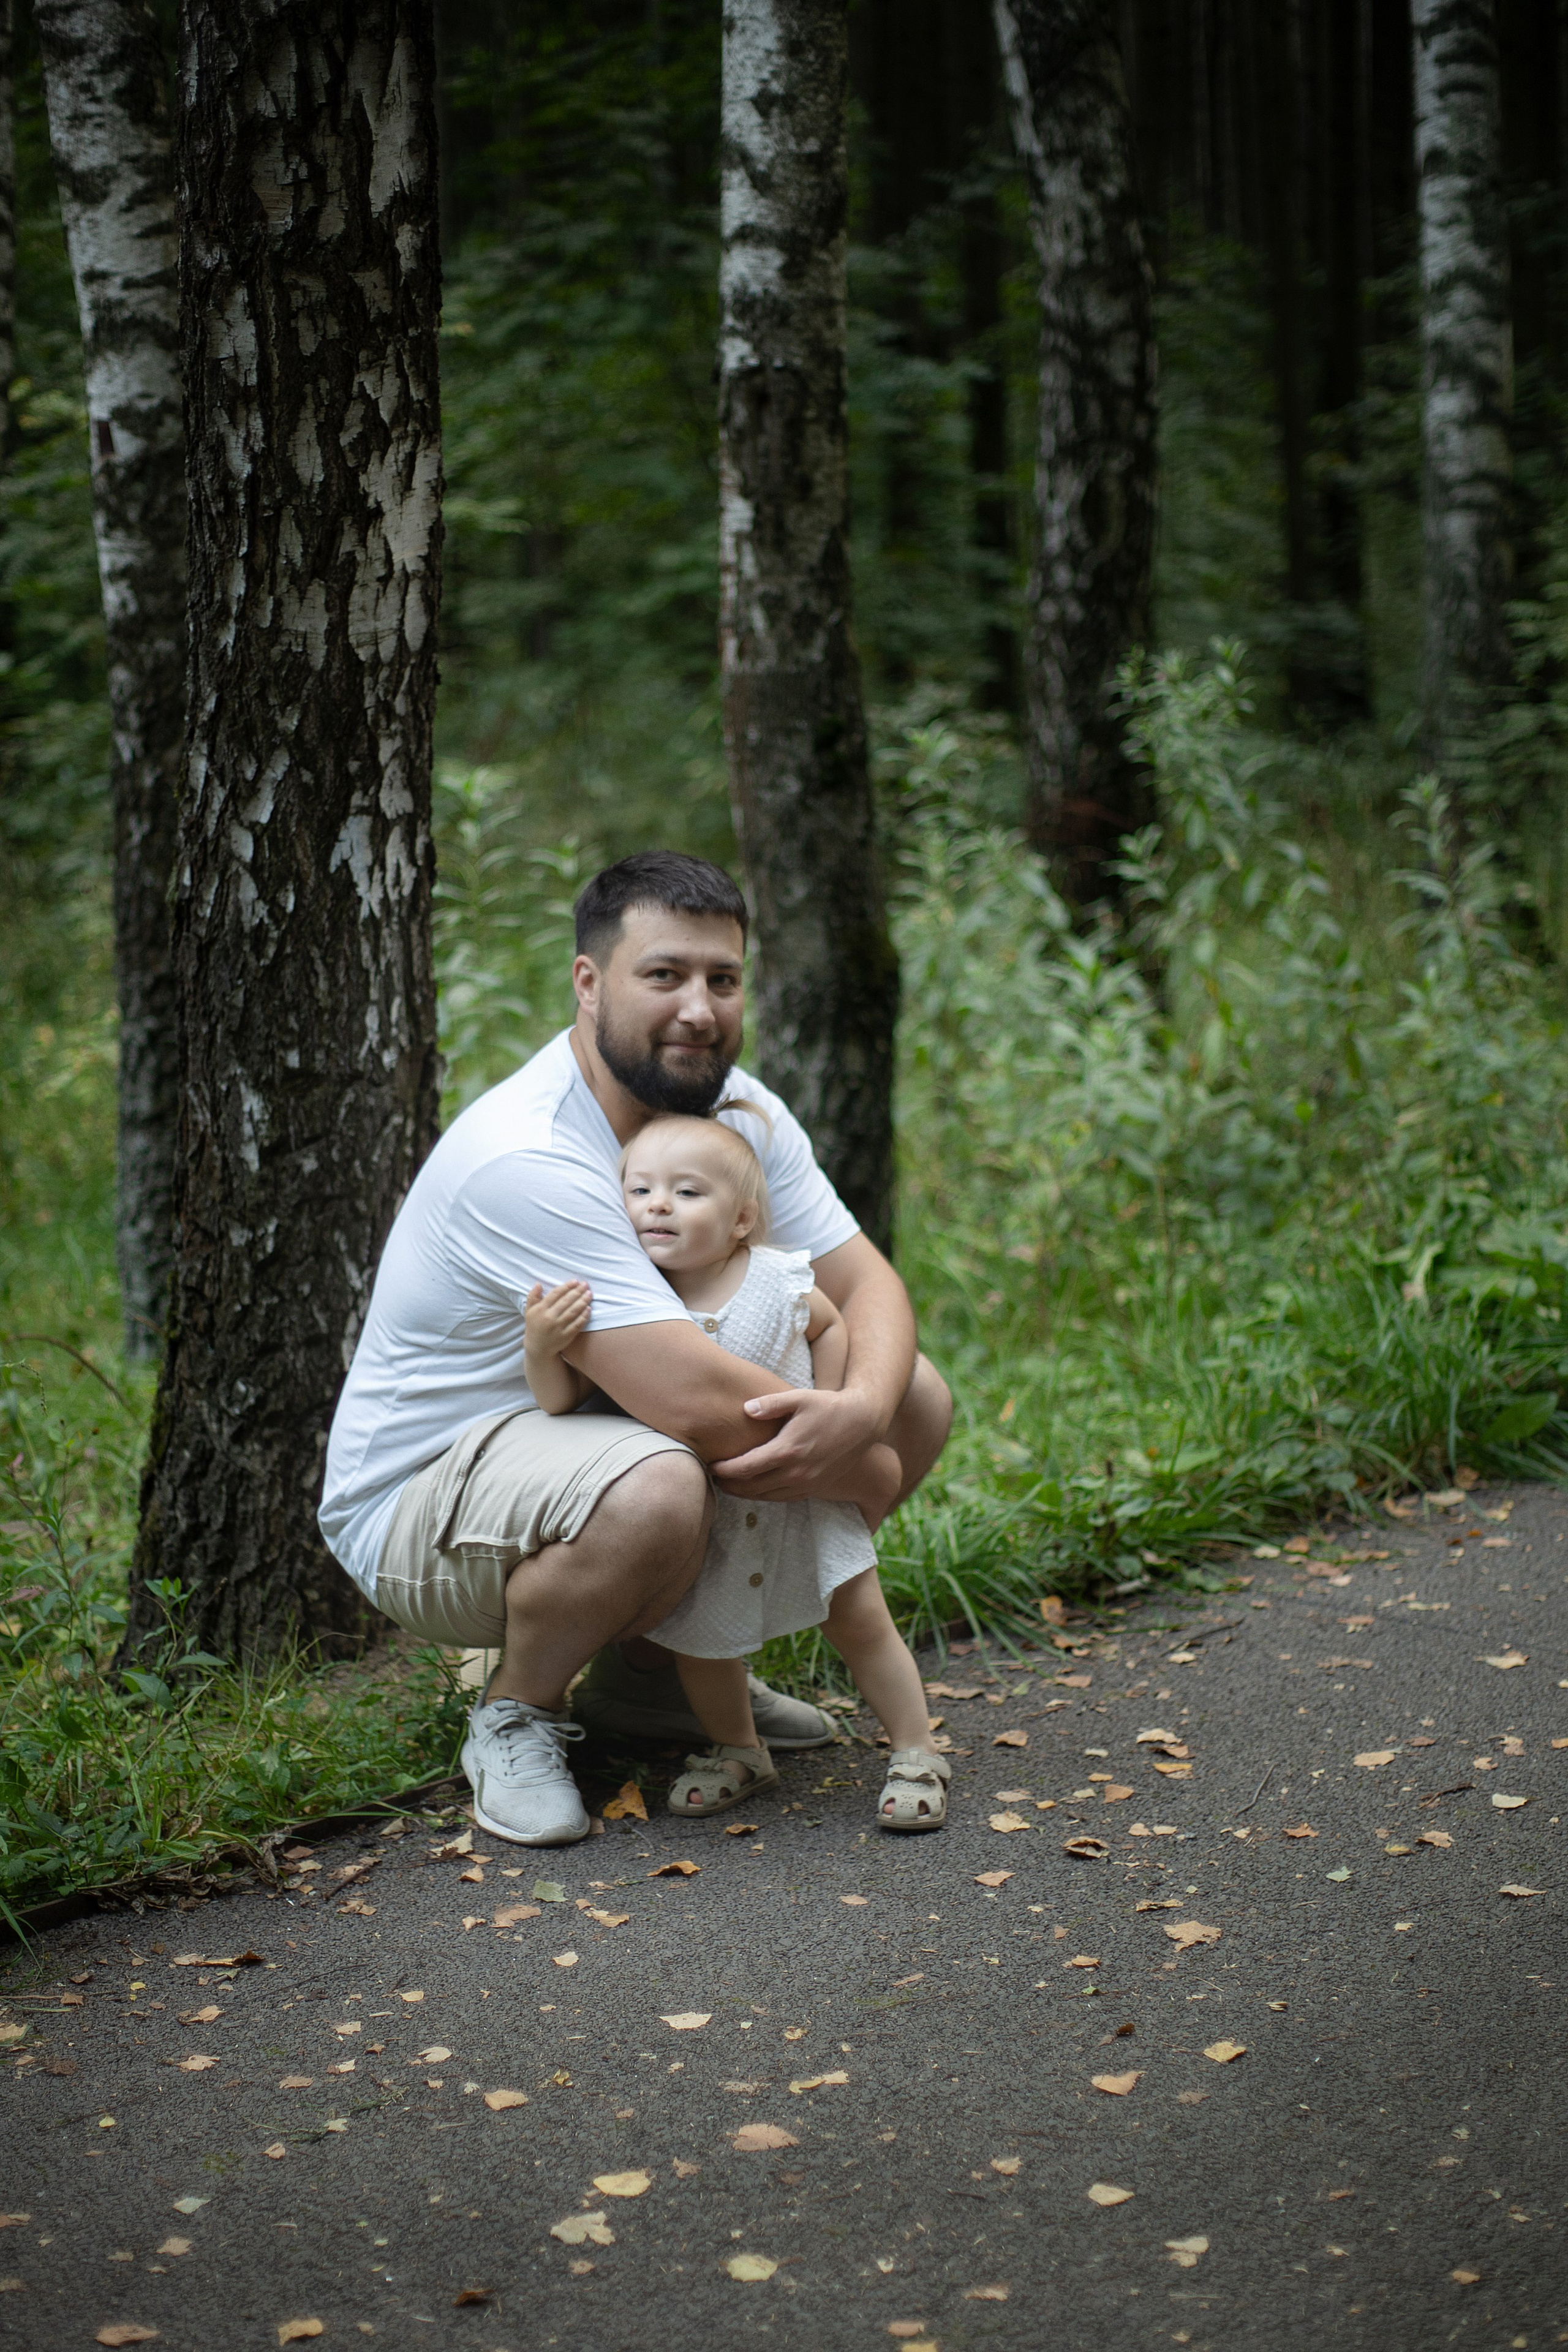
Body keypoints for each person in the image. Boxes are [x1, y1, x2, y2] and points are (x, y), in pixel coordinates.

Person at [320, 850, 952, 1845]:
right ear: (589, 983)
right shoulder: (529, 1155)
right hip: (425, 1499)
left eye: (723, 979)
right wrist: (857, 1457)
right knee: (665, 1479)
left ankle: (652, 1684)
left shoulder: (734, 1114)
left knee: (912, 1391)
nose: (699, 1008)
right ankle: (517, 1712)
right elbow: (699, 1406)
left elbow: (864, 1283)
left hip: (582, 1438)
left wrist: (867, 1413)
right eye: (664, 975)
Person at [523, 1109, 950, 1831]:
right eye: (639, 1190)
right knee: (705, 1642)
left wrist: (831, 1403)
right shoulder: (632, 1300)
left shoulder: (776, 1278)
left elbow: (831, 1322)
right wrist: (541, 1346)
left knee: (859, 1620)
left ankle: (915, 1748)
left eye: (688, 1193)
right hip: (711, 1515)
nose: (658, 1205)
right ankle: (738, 1750)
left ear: (742, 1219)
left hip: (804, 1499)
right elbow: (562, 1400)